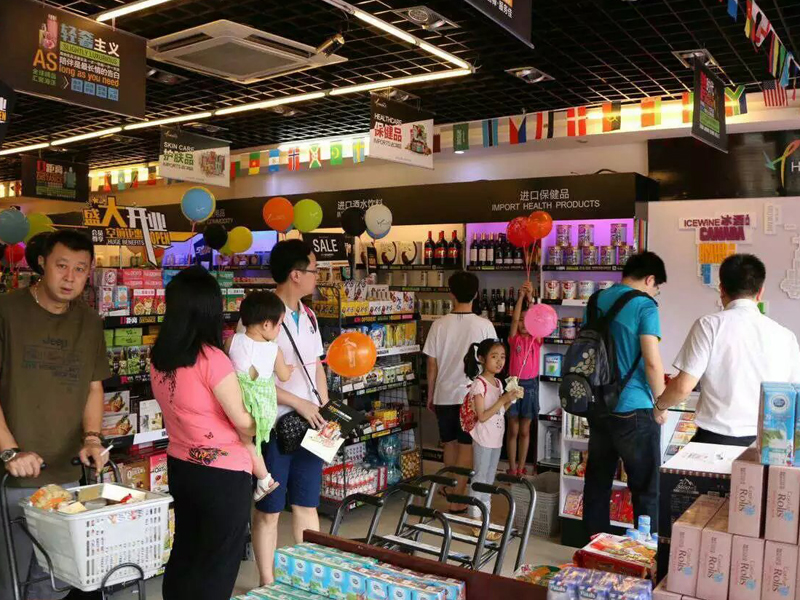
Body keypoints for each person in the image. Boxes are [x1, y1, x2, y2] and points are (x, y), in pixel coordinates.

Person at [0, 229, 110, 600]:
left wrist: (92, 439)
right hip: (13, 476)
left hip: (67, 474)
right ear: (42, 263)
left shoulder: (89, 322)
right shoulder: (6, 311)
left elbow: (93, 386)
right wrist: (10, 451)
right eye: (61, 266)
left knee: (56, 581)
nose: (69, 277)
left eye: (80, 269)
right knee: (11, 580)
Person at [150, 266, 256, 600]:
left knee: (186, 551)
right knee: (217, 562)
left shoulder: (160, 357)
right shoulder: (212, 359)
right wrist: (260, 418)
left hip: (181, 464)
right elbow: (243, 421)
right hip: (222, 473)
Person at [655, 254, 800, 446]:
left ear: (721, 289)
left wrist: (659, 407)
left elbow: (682, 387)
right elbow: (793, 395)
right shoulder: (786, 336)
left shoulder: (708, 325)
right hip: (768, 442)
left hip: (715, 440)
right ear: (760, 292)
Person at [252, 239, 328, 585]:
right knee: (269, 510)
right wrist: (298, 403)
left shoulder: (309, 316)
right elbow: (252, 380)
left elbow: (317, 366)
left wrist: (324, 407)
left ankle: (311, 578)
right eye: (314, 269)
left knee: (307, 503)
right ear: (295, 274)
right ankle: (267, 582)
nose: (317, 276)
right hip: (275, 426)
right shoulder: (260, 315)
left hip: (312, 423)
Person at [583, 251, 667, 537]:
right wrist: (661, 403)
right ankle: (646, 553)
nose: (655, 293)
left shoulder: (596, 300)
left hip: (598, 403)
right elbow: (652, 362)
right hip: (634, 407)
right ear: (650, 279)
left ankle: (592, 548)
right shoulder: (645, 305)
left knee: (597, 482)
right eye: (657, 287)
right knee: (646, 488)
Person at [423, 271, 496, 513]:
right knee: (466, 446)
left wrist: (431, 394)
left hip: (444, 394)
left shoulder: (438, 325)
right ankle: (457, 499)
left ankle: (451, 490)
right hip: (472, 396)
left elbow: (431, 364)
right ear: (476, 294)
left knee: (449, 444)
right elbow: (492, 363)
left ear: (451, 294)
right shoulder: (485, 325)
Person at [225, 290, 295, 500]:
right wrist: (288, 369)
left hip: (236, 401)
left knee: (243, 441)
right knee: (248, 442)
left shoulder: (232, 341)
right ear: (266, 324)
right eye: (279, 324)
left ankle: (260, 479)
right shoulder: (274, 350)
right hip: (261, 409)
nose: (279, 329)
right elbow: (284, 377)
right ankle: (264, 479)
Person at [463, 339, 524, 539]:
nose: (499, 361)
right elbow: (482, 416)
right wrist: (503, 399)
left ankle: (485, 519)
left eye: (503, 357)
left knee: (489, 480)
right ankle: (475, 520)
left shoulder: (498, 383)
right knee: (479, 478)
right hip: (483, 438)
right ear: (481, 359)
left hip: (496, 438)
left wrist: (511, 399)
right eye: (494, 356)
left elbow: (499, 411)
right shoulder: (478, 385)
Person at [506, 281, 542, 476]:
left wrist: (531, 300)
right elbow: (513, 322)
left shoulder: (536, 340)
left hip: (530, 386)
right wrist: (521, 297)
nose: (522, 323)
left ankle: (521, 467)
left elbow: (536, 319)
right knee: (512, 430)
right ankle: (512, 468)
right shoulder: (515, 340)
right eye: (521, 320)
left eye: (527, 320)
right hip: (513, 384)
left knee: (525, 431)